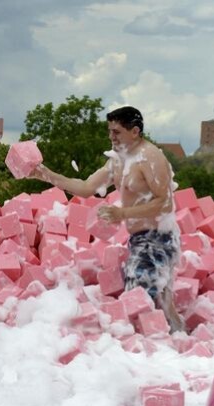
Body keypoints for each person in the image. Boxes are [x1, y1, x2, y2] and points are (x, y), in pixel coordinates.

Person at [31, 106, 185, 333]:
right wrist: (46, 174)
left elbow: (165, 203)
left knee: (140, 298)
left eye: (117, 132)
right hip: (140, 240)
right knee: (159, 301)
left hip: (159, 238)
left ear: (134, 132)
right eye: (110, 131)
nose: (111, 137)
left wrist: (121, 214)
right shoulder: (118, 161)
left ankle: (154, 350)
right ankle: (179, 341)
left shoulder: (151, 158)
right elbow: (85, 188)